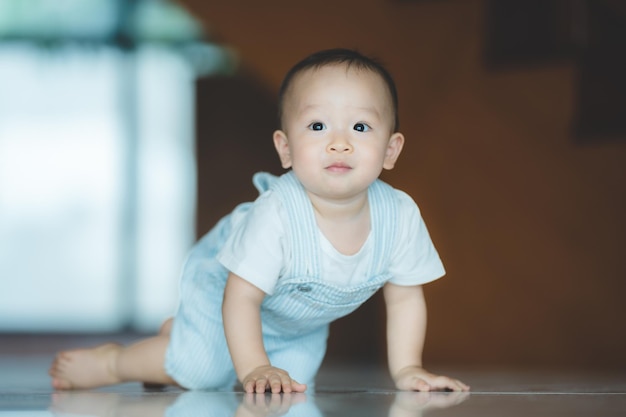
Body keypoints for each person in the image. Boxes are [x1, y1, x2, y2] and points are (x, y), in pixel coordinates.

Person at [49, 48, 470, 394]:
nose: (339, 143)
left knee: (291, 388)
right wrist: (253, 368)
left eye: (360, 126)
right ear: (285, 149)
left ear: (391, 150)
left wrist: (408, 369)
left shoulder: (399, 215)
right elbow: (242, 298)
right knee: (202, 373)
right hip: (226, 295)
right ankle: (115, 361)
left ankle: (180, 334)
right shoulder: (278, 214)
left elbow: (404, 298)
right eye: (318, 126)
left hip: (295, 326)